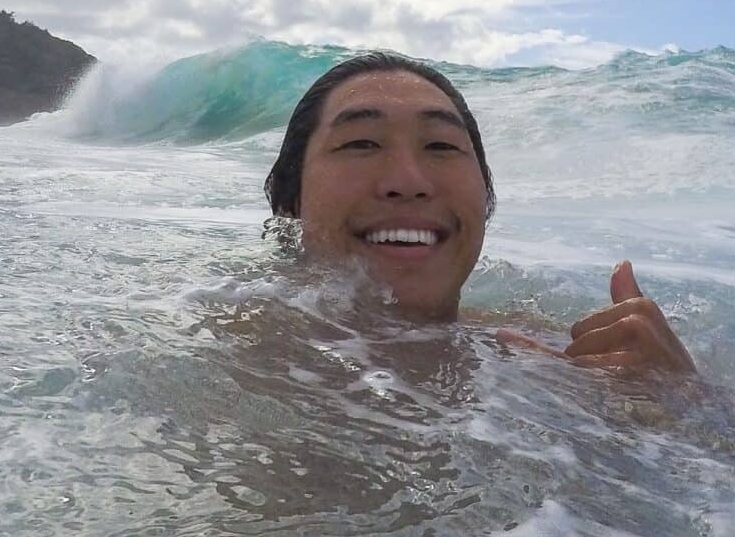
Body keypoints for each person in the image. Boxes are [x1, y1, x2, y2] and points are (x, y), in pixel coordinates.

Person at [265, 51, 696, 374]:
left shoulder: (562, 352)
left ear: (486, 201)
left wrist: (678, 404)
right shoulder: (230, 347)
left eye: (441, 146)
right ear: (290, 201)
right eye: (361, 143)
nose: (410, 181)